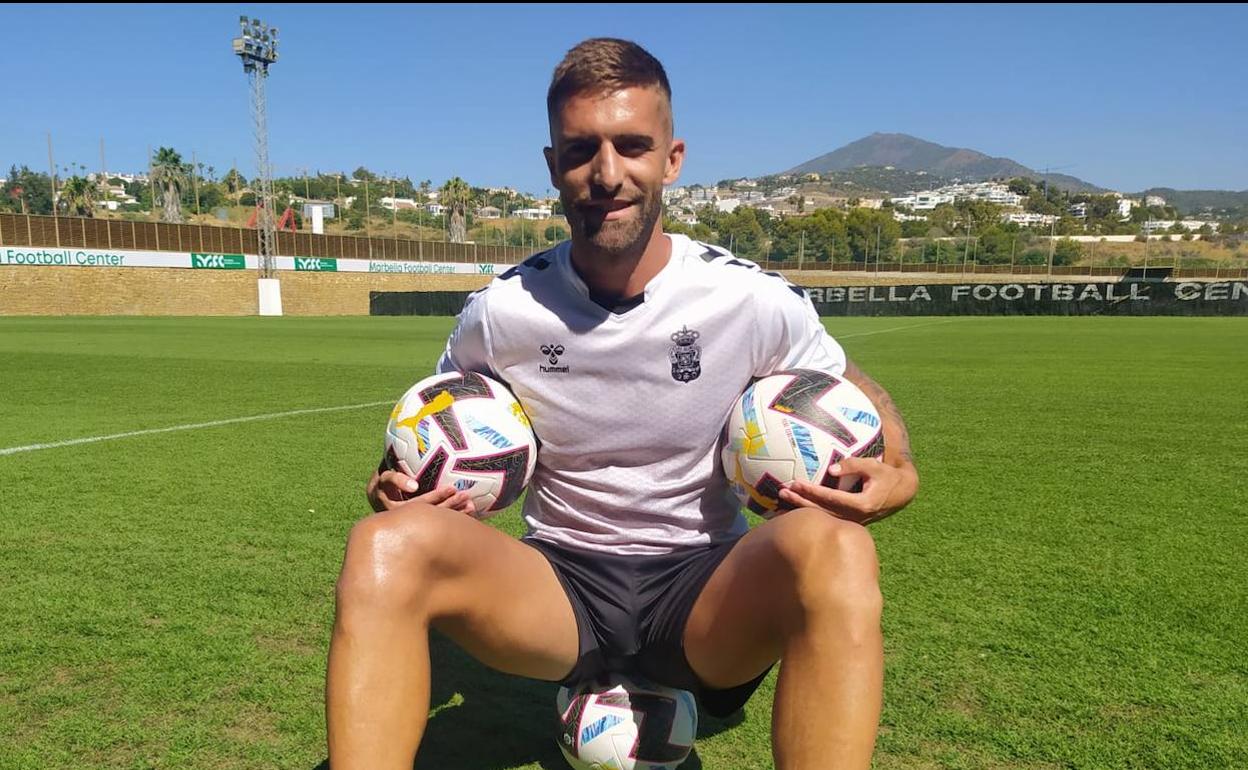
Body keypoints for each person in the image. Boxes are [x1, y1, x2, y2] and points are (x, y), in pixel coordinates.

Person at [326, 37, 918, 770]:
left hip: (704, 592)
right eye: (581, 151)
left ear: (672, 158)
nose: (607, 174)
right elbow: (433, 420)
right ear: (552, 168)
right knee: (381, 547)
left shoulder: (749, 299)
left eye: (632, 145)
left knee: (838, 548)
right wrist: (396, 482)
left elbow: (851, 381)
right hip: (558, 587)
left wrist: (900, 463)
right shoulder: (501, 312)